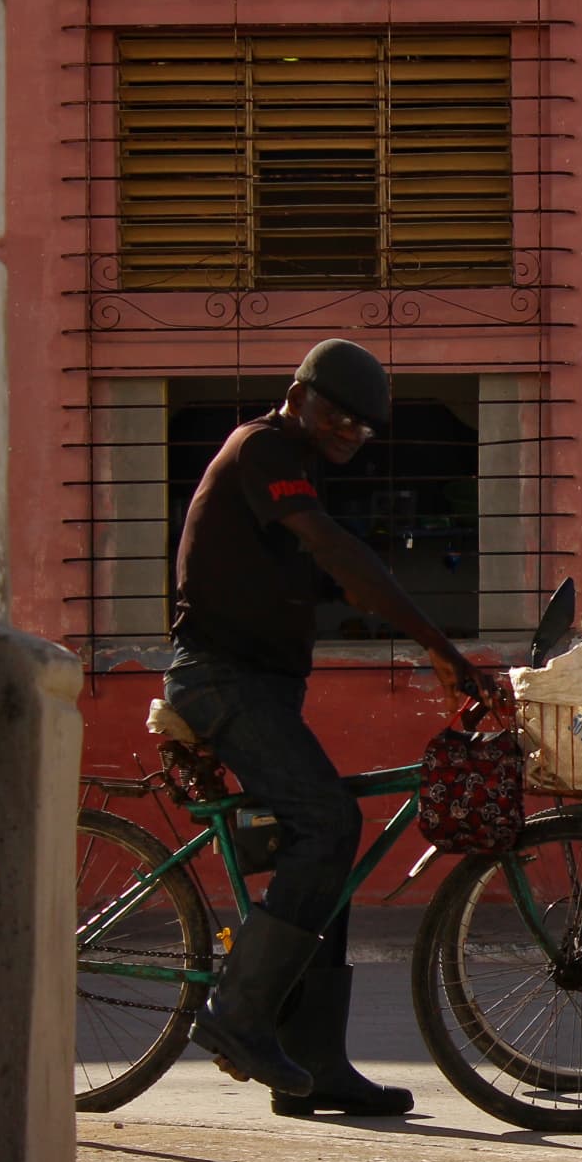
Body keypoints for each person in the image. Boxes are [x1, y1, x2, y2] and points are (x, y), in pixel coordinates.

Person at [165, 338, 491, 1113]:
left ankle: (314, 1066)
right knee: (329, 824)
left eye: (362, 427)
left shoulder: (297, 464)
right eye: (337, 415)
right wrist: (438, 646)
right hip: (221, 681)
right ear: (297, 394)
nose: (348, 432)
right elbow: (335, 552)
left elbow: (323, 578)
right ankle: (238, 1012)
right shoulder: (265, 449)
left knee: (330, 853)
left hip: (262, 686)